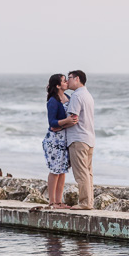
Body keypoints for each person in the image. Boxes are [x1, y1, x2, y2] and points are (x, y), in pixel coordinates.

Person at [43, 74, 79, 208]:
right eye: (64, 81)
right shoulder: (53, 101)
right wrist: (66, 121)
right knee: (55, 171)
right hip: (54, 140)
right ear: (58, 86)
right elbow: (51, 122)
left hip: (64, 139)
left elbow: (67, 121)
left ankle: (59, 201)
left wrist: (67, 123)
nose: (66, 83)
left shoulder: (68, 98)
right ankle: (52, 202)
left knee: (63, 170)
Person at [65, 70, 95, 209]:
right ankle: (89, 202)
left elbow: (73, 119)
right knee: (88, 172)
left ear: (77, 79)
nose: (67, 81)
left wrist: (57, 125)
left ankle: (84, 203)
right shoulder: (87, 95)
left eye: (69, 78)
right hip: (89, 138)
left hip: (78, 138)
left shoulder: (76, 96)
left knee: (81, 173)